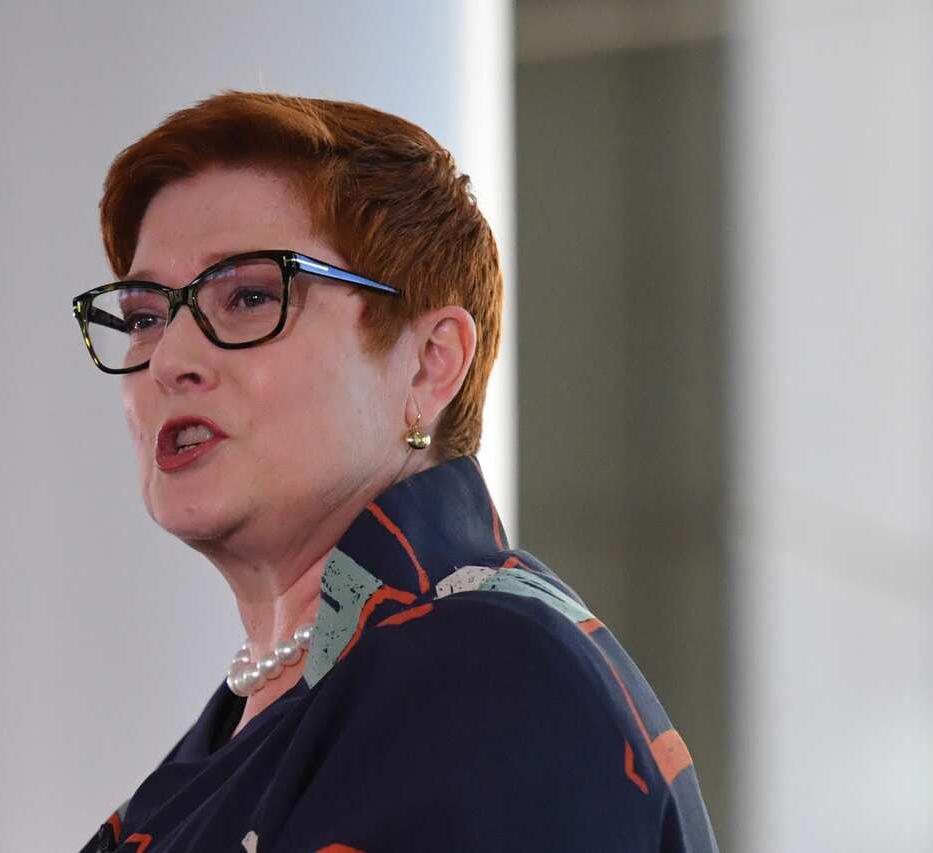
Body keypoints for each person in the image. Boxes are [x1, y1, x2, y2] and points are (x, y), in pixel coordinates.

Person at [72, 92, 718, 852]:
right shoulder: (292, 706)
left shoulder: (489, 678)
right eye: (147, 315)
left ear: (429, 362)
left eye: (247, 296)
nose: (171, 361)